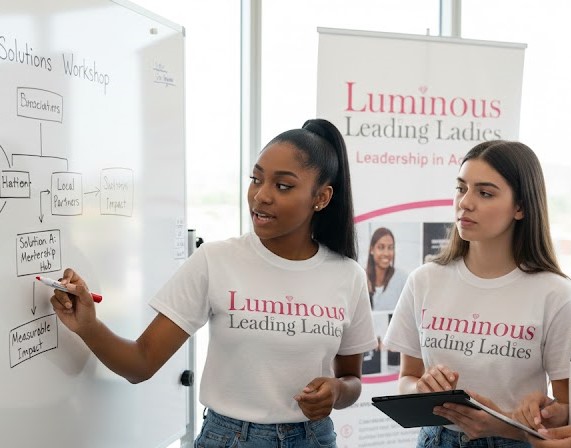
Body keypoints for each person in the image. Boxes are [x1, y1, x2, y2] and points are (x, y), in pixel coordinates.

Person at [50, 118, 377, 447]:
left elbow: (352, 380)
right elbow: (141, 363)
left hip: (313, 439)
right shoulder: (216, 260)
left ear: (321, 197)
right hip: (229, 439)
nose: (261, 196)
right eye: (256, 179)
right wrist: (89, 326)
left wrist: (337, 391)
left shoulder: (347, 275)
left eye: (282, 186)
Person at [383, 140, 571, 447]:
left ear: (521, 207)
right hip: (436, 439)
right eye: (461, 188)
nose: (465, 202)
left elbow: (565, 413)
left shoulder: (556, 294)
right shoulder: (424, 280)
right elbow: (406, 379)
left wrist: (520, 420)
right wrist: (421, 389)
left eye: (485, 193)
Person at [366, 226, 408, 312]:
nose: (386, 253)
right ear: (371, 250)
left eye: (390, 248)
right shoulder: (361, 278)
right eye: (381, 247)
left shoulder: (402, 279)